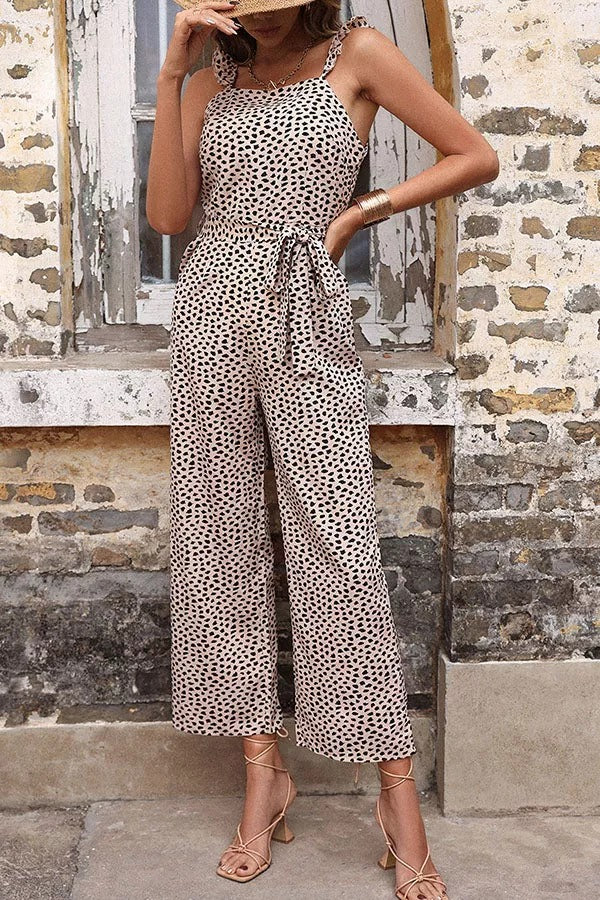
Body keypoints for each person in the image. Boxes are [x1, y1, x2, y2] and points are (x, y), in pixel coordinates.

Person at [146, 0, 498, 896]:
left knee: (336, 546)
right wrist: (173, 72)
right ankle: (263, 774)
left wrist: (360, 214)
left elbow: (473, 154)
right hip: (212, 309)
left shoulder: (361, 53)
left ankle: (396, 795)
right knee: (216, 540)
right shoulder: (214, 79)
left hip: (308, 311)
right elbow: (169, 216)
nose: (256, 18)